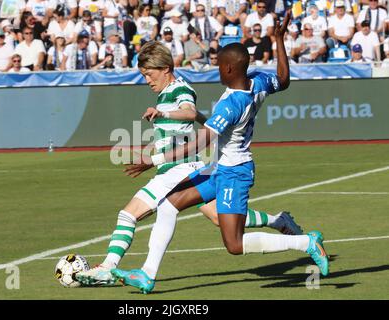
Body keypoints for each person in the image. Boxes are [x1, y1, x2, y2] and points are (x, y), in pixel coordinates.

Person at [107, 11, 329, 294]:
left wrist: (154, 159)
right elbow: (284, 79)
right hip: (219, 168)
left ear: (229, 70)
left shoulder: (231, 104)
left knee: (234, 244)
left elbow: (199, 143)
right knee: (169, 204)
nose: (217, 70)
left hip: (233, 172)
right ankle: (147, 274)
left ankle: (306, 242)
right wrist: (279, 40)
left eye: (220, 65)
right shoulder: (257, 82)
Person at [76, 39, 304, 287]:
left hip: (180, 167)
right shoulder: (166, 94)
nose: (147, 80)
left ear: (165, 69)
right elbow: (188, 125)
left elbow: (189, 111)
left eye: (149, 75)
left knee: (128, 214)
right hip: (187, 165)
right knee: (220, 217)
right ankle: (278, 220)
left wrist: (164, 117)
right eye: (143, 76)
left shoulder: (179, 88)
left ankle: (109, 268)